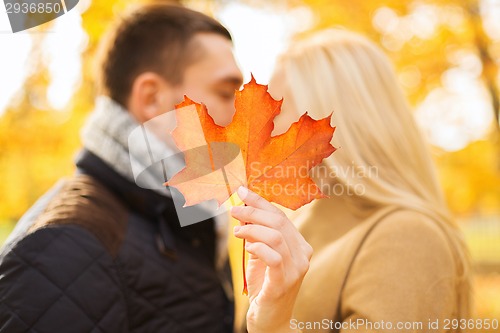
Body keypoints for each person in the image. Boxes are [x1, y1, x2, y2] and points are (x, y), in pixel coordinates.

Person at [0, 4, 310, 333]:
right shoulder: (61, 249)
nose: (240, 116)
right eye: (224, 92)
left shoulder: (185, 223)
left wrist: (270, 322)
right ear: (151, 98)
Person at [266, 29, 471, 332]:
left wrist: (274, 326)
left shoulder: (408, 239)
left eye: (277, 110)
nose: (264, 129)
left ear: (333, 122)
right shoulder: (296, 226)